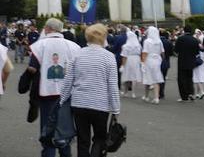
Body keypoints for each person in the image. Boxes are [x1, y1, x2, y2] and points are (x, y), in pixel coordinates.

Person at [60, 23, 120, 157]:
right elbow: (112, 85)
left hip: (79, 103)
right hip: (100, 104)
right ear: (104, 37)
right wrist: (115, 108)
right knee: (99, 138)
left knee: (83, 140)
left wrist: (62, 100)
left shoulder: (78, 54)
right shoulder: (109, 57)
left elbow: (68, 80)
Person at [28, 18, 81, 157]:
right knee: (65, 128)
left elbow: (32, 68)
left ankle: (49, 153)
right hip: (67, 94)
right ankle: (65, 153)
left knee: (47, 129)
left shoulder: (39, 45)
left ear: (47, 29)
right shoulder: (73, 46)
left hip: (47, 93)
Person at [174, 26, 200, 102]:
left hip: (182, 61)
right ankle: (191, 93)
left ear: (184, 31)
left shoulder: (180, 39)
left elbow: (176, 51)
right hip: (191, 61)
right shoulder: (195, 40)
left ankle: (184, 96)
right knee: (189, 78)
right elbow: (197, 52)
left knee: (181, 79)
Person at [141, 26, 165, 104]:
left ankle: (146, 96)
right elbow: (162, 53)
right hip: (157, 60)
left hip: (149, 60)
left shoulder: (147, 41)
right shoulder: (159, 41)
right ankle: (156, 97)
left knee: (147, 78)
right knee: (156, 79)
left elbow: (145, 52)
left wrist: (142, 63)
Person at [120, 31, 142, 98]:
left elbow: (124, 56)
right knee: (134, 76)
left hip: (128, 60)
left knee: (127, 75)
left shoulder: (126, 46)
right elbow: (140, 53)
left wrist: (122, 65)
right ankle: (133, 93)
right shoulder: (138, 45)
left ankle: (125, 92)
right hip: (136, 59)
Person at [159, 29, 174, 99]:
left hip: (158, 61)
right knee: (163, 77)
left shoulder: (157, 42)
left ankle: (159, 92)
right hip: (166, 61)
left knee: (158, 77)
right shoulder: (168, 42)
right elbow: (171, 53)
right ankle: (161, 92)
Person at [193, 29, 204, 99]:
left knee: (197, 77)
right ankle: (198, 93)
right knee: (200, 76)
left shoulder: (197, 44)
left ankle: (201, 91)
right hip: (202, 61)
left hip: (197, 61)